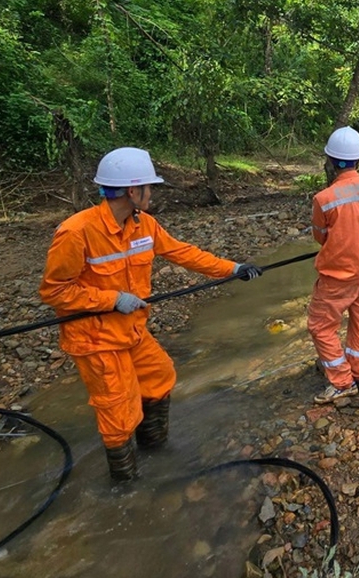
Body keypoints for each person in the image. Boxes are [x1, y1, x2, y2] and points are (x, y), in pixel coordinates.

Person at [39, 148, 262, 482]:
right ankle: (127, 485)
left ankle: (157, 456)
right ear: (132, 191)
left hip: (132, 331)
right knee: (118, 412)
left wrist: (233, 269)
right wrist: (111, 299)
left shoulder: (145, 225)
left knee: (159, 377)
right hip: (96, 340)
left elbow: (184, 253)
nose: (152, 194)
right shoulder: (76, 233)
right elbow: (54, 291)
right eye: (149, 188)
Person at [308, 128, 359, 404]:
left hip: (337, 277)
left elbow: (320, 236)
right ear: (358, 161)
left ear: (330, 160)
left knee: (320, 326)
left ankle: (342, 381)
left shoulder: (324, 199)